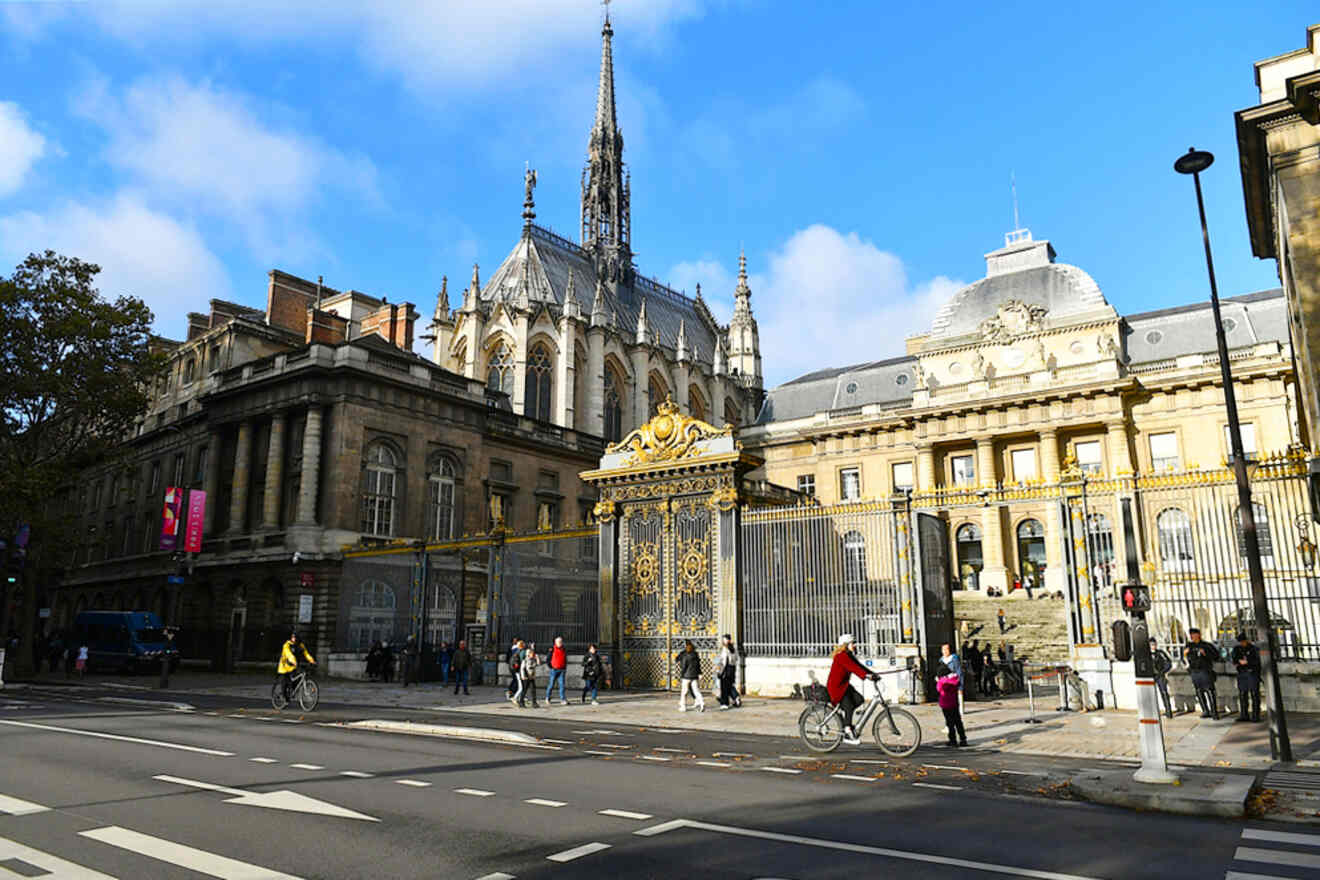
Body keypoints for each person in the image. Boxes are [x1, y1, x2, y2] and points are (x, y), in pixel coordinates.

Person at [827, 634, 879, 745]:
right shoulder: (841, 656)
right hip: (837, 688)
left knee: (859, 699)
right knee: (849, 706)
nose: (855, 645)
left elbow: (859, 666)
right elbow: (854, 668)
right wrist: (866, 676)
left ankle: (846, 719)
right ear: (846, 645)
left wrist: (872, 674)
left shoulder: (848, 655)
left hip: (844, 686)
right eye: (852, 643)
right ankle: (847, 732)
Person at [1184, 627, 1220, 719]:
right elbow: (1184, 660)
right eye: (1191, 635)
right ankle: (1205, 710)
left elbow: (1216, 656)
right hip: (1194, 672)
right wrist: (1184, 655)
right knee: (1199, 691)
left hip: (1205, 671)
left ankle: (1214, 712)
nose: (1193, 636)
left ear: (1199, 635)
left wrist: (1205, 654)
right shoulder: (1189, 646)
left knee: (1210, 690)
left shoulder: (1206, 645)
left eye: (1194, 634)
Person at [276, 631, 316, 703]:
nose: (293, 639)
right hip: (284, 667)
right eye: (293, 637)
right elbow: (289, 655)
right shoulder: (287, 645)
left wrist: (312, 661)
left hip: (294, 666)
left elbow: (306, 654)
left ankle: (292, 691)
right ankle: (285, 697)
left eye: (295, 637)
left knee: (299, 678)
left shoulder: (301, 645)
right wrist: (294, 661)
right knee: (285, 682)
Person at [1230, 632, 1262, 722]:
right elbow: (1234, 659)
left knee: (1254, 694)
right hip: (1242, 672)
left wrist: (1248, 662)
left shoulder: (1254, 649)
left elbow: (1258, 661)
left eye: (1243, 641)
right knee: (1242, 694)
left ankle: (1256, 715)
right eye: (1240, 642)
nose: (1242, 643)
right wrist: (1238, 662)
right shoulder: (1237, 649)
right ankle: (1244, 714)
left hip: (1252, 673)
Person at [936, 660, 968, 747]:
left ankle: (952, 740)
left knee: (950, 723)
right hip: (954, 703)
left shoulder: (941, 682)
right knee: (958, 721)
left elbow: (938, 689)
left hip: (945, 705)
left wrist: (938, 681)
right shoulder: (954, 679)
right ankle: (963, 739)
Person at [676, 640, 704, 712]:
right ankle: (702, 703)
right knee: (696, 691)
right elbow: (698, 665)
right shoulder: (695, 654)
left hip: (686, 676)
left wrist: (682, 674)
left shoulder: (685, 655)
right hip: (694, 676)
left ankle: (683, 706)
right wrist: (699, 673)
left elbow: (684, 666)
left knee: (684, 692)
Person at [1151, 638, 1174, 718]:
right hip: (1151, 676)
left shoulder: (1160, 653)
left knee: (1164, 693)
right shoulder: (1146, 654)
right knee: (1150, 694)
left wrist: (1163, 671)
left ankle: (1168, 711)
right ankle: (1153, 712)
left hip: (1160, 676)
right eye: (1151, 645)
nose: (1153, 646)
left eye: (1154, 644)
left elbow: (1169, 663)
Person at [716, 634, 740, 709]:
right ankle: (735, 697)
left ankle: (724, 703)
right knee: (729, 685)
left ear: (727, 640)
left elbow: (723, 661)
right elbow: (736, 659)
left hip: (725, 669)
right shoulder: (734, 649)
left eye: (724, 639)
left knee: (724, 687)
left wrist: (719, 671)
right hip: (732, 668)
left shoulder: (725, 649)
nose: (723, 641)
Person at [545, 636, 569, 705]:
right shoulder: (552, 649)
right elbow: (548, 659)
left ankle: (563, 699)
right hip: (554, 670)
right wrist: (551, 667)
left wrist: (564, 667)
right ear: (555, 642)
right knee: (551, 684)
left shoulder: (563, 649)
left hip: (562, 670)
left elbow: (565, 659)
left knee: (562, 685)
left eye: (561, 641)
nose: (560, 643)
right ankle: (547, 697)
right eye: (558, 642)